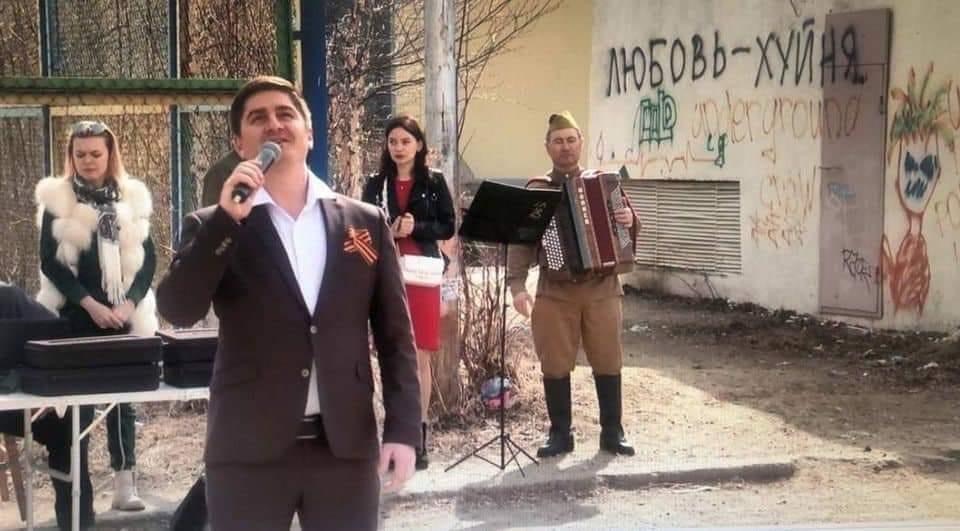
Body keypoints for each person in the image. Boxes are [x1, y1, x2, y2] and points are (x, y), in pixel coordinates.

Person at [155, 75, 420, 531]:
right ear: (239, 144)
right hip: (246, 454)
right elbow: (178, 308)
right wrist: (226, 221)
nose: (274, 124)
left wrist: (403, 429)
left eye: (285, 114)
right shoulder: (214, 225)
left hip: (344, 450)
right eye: (258, 118)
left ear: (309, 133)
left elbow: (396, 338)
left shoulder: (365, 222)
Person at [34, 119, 157, 510]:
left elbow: (149, 260)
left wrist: (129, 303)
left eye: (95, 154)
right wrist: (90, 304)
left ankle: (125, 485)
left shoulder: (131, 197)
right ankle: (78, 495)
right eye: (80, 154)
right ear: (71, 156)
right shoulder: (59, 201)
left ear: (110, 154)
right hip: (76, 314)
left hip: (123, 313)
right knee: (78, 408)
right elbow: (51, 263)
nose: (88, 161)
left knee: (123, 402)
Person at [506, 111, 638, 458]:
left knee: (608, 358)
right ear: (547, 146)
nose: (565, 147)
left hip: (602, 288)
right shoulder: (538, 190)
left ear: (581, 142)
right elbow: (521, 242)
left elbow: (626, 231)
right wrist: (517, 286)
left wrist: (629, 219)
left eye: (570, 140)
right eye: (558, 141)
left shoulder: (605, 184)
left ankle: (613, 432)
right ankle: (560, 434)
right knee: (554, 361)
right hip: (555, 290)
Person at [361, 115, 455, 470]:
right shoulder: (376, 185)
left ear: (419, 145)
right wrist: (389, 229)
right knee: (390, 352)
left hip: (422, 273)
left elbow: (448, 225)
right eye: (393, 142)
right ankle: (394, 435)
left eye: (405, 141)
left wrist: (418, 227)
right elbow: (361, 227)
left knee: (419, 355)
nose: (399, 148)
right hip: (386, 273)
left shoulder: (434, 181)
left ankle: (418, 435)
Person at [0, 282, 96, 530]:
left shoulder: (9, 299)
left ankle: (77, 524)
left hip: (42, 401)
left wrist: (49, 390)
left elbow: (63, 347)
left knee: (71, 425)